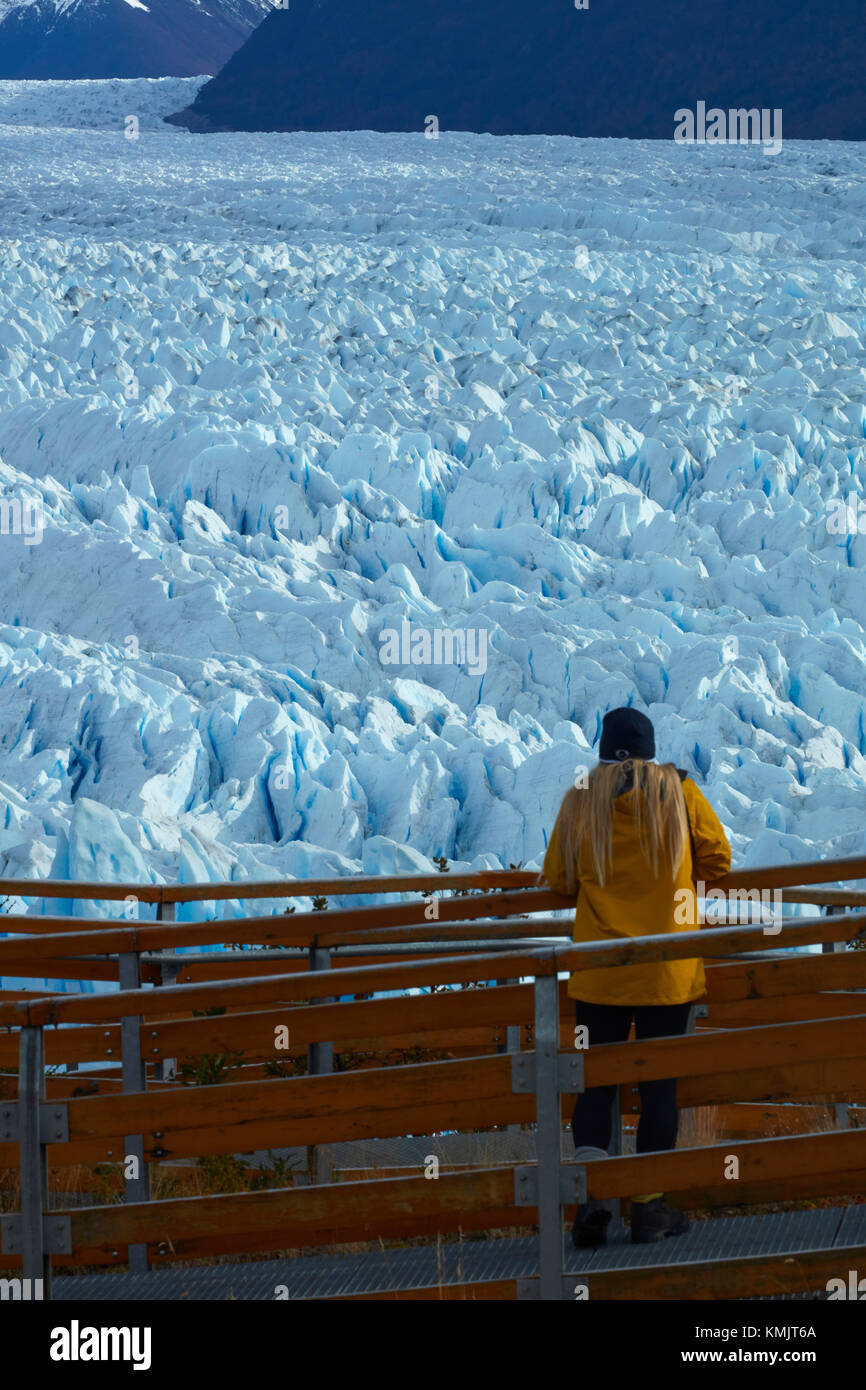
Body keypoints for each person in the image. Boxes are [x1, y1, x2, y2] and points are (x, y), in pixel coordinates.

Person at [540, 707, 731, 1246]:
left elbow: (558, 876)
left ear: (604, 749)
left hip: (600, 974)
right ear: (650, 748)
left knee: (596, 1086)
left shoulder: (583, 795)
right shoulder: (679, 792)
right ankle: (649, 1207)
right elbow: (718, 860)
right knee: (659, 1088)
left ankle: (594, 1200)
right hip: (666, 972)